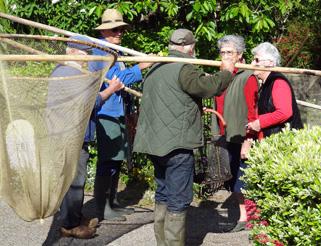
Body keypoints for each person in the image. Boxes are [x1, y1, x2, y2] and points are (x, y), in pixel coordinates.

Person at [133, 28, 236, 246]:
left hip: (154, 145)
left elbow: (176, 96)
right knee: (178, 201)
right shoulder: (184, 68)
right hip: (176, 146)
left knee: (162, 194)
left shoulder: (154, 69)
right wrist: (226, 72)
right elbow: (208, 88)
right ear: (190, 48)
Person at [52, 36, 125, 239]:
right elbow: (88, 103)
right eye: (85, 54)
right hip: (70, 137)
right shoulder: (70, 74)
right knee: (74, 182)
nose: (88, 59)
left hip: (66, 135)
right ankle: (71, 225)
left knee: (71, 180)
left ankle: (74, 216)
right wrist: (111, 90)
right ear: (73, 52)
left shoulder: (63, 70)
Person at [91, 8, 152, 222]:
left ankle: (112, 201)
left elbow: (122, 85)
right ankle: (102, 207)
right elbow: (113, 79)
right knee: (107, 160)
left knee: (117, 159)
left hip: (119, 111)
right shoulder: (99, 52)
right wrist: (139, 68)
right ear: (105, 32)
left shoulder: (117, 51)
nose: (119, 33)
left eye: (121, 29)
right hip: (106, 113)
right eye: (115, 30)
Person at [214, 35, 259, 232]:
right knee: (234, 177)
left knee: (243, 178)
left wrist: (248, 140)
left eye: (229, 52)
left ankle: (247, 218)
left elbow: (252, 112)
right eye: (222, 52)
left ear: (240, 55)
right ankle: (246, 216)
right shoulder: (223, 75)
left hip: (242, 135)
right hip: (227, 133)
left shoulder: (247, 77)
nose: (225, 56)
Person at [247, 42, 303, 139]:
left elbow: (284, 112)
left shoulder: (278, 83)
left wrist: (260, 122)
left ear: (270, 63)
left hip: (284, 143)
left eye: (257, 60)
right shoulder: (267, 83)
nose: (252, 64)